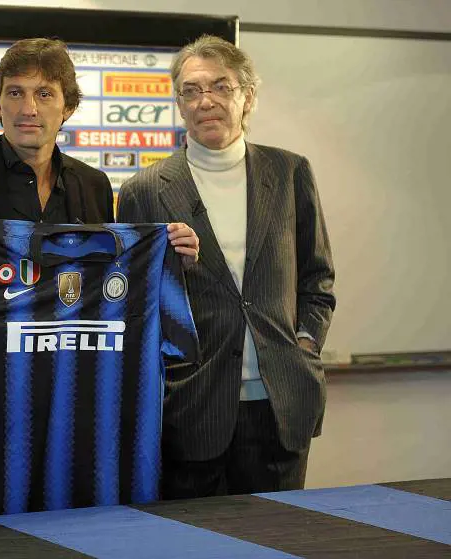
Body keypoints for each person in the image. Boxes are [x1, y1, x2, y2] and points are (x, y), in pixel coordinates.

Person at [0, 37, 198, 519]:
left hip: (69, 418)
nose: (28, 108)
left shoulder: (93, 184)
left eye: (44, 94)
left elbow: (109, 287)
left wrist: (172, 256)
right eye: (15, 93)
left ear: (68, 107)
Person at [118, 35, 336, 498]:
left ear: (247, 96)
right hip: (189, 406)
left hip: (280, 404)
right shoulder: (144, 190)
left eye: (221, 86)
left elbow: (317, 278)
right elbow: (132, 302)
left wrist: (305, 344)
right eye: (192, 90)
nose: (206, 101)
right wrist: (170, 269)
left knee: (279, 533)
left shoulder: (290, 172)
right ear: (179, 103)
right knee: (190, 536)